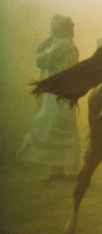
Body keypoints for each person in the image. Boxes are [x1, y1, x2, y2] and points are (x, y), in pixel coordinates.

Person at [17, 15, 81, 181]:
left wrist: (45, 44)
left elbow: (41, 60)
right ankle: (59, 170)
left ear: (56, 30)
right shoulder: (67, 45)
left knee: (57, 127)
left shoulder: (62, 45)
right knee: (60, 128)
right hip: (62, 93)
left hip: (57, 95)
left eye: (52, 28)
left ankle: (64, 170)